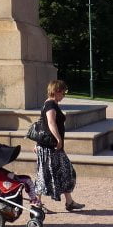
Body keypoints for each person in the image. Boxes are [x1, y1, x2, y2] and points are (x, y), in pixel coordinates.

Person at [35, 80, 85, 212]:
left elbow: (42, 124)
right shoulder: (51, 104)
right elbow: (50, 123)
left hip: (51, 147)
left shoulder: (50, 103)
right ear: (57, 91)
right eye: (63, 92)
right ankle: (36, 204)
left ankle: (69, 202)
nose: (64, 95)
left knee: (65, 172)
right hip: (50, 147)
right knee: (45, 174)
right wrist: (58, 139)